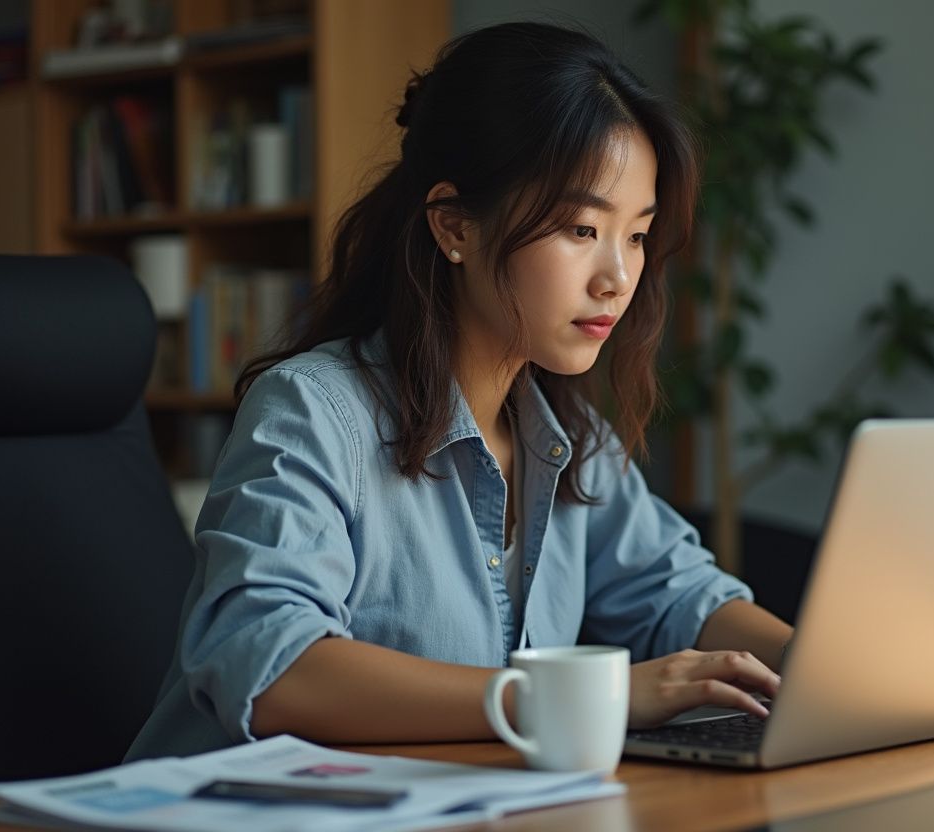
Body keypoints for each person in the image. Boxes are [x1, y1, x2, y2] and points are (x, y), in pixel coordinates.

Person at [127, 21, 793, 760]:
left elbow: (683, 598)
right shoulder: (314, 411)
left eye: (635, 234)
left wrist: (827, 674)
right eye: (579, 228)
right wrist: (566, 698)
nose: (617, 278)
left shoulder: (569, 437)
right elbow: (272, 667)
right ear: (455, 226)